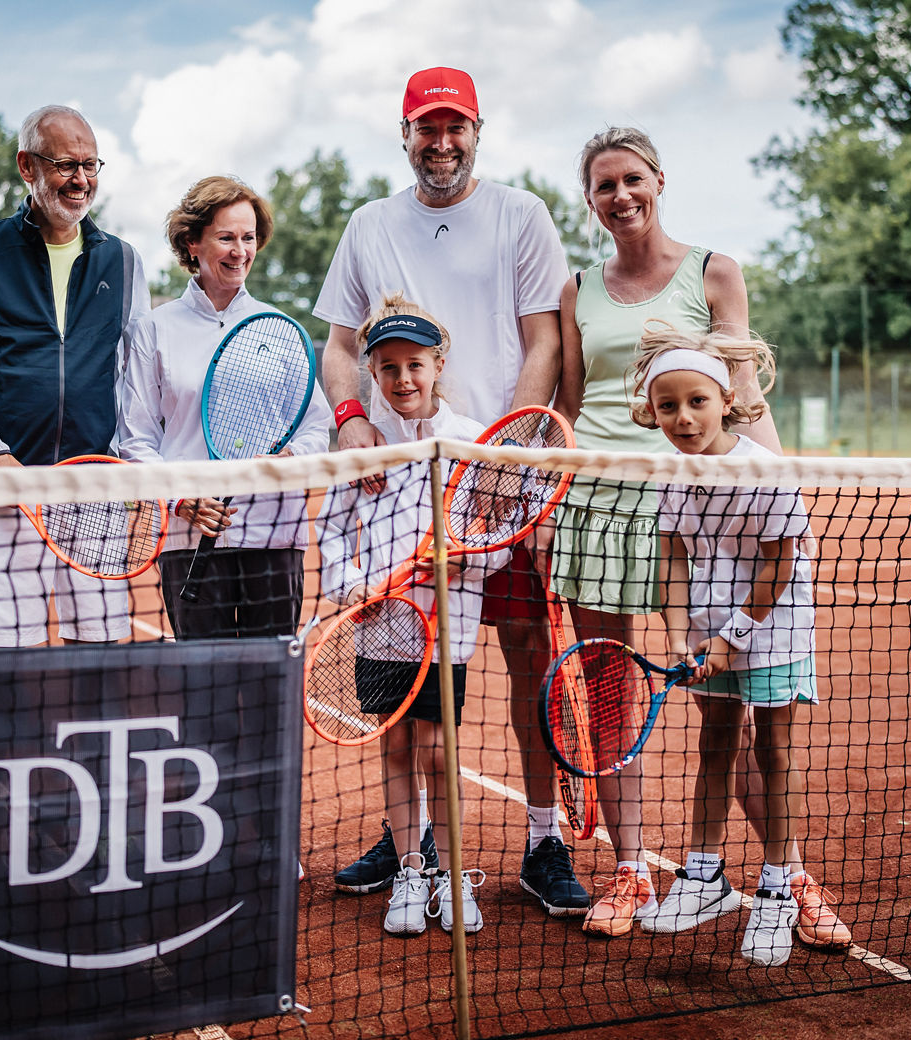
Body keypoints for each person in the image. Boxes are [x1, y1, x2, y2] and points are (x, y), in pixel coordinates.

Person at [554, 127, 850, 951]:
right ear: (591, 200)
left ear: (659, 180)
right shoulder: (579, 286)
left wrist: (776, 482)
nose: (621, 195)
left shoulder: (713, 270)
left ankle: (786, 877)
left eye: (633, 178)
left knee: (750, 717)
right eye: (605, 185)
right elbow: (574, 404)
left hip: (712, 504)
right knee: (617, 693)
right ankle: (634, 870)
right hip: (607, 507)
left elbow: (744, 389)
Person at [314, 67, 589, 917]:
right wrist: (354, 415)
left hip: (506, 483)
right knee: (414, 681)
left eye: (455, 126)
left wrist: (510, 457)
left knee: (528, 661)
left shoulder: (522, 215)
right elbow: (335, 347)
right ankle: (416, 844)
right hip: (403, 492)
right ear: (404, 134)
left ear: (478, 130)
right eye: (426, 128)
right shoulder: (368, 224)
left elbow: (543, 343)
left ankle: (542, 839)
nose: (441, 142)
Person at [625, 325, 834, 967]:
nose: (682, 418)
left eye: (696, 402)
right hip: (708, 629)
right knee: (714, 742)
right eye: (668, 406)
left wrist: (729, 637)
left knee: (772, 751)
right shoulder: (671, 473)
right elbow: (675, 562)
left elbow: (777, 567)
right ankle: (704, 877)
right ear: (652, 412)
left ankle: (776, 891)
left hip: (775, 629)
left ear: (723, 401)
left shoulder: (763, 470)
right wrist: (683, 636)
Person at [0, 104, 150, 648]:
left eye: (91, 165)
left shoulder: (125, 260)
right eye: (66, 164)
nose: (82, 180)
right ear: (27, 166)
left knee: (99, 658)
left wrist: (131, 462)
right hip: (5, 492)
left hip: (96, 491)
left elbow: (137, 379)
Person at [318, 294, 501, 935]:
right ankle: (409, 873)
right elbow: (333, 530)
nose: (403, 379)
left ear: (439, 365)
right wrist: (355, 589)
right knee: (397, 746)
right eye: (388, 366)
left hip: (446, 627)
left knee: (439, 751)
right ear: (371, 371)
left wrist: (468, 563)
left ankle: (452, 880)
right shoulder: (362, 444)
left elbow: (495, 532)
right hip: (380, 627)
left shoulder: (472, 441)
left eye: (415, 364)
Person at [118, 175, 330, 639]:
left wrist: (290, 459)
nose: (240, 250)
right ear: (192, 243)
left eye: (249, 238)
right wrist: (179, 499)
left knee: (269, 688)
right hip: (188, 541)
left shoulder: (279, 328)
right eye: (226, 237)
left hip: (274, 533)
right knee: (202, 690)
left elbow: (316, 425)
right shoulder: (153, 329)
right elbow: (135, 439)